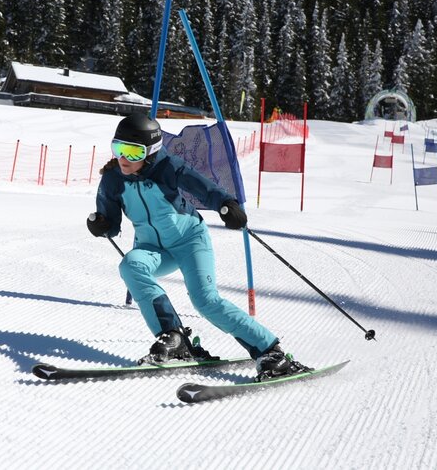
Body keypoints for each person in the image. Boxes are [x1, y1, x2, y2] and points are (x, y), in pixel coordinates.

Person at [87, 113, 309, 381]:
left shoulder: (167, 167)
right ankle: (174, 338)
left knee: (205, 300)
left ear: (151, 151)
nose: (123, 158)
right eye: (118, 148)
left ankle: (270, 352)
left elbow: (201, 186)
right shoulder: (113, 180)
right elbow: (110, 223)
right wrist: (101, 225)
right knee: (131, 265)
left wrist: (226, 205)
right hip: (153, 249)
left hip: (190, 241)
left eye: (133, 152)